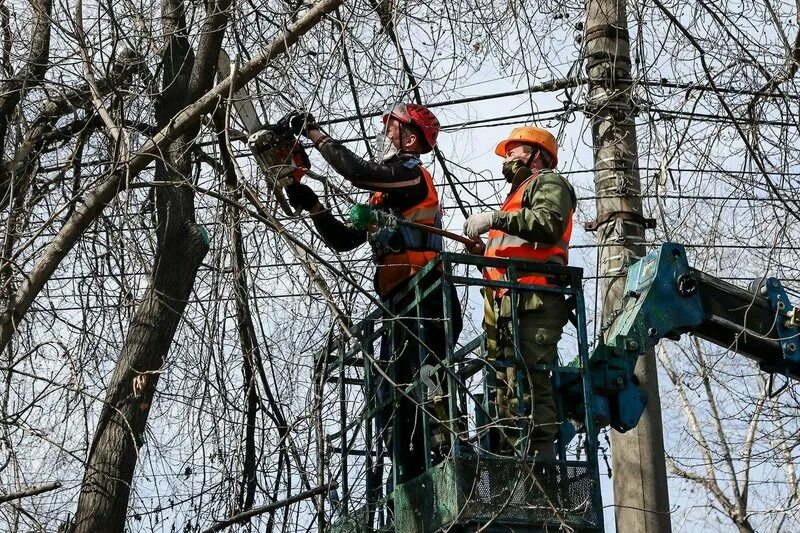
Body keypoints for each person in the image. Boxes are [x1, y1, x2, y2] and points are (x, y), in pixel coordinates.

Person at [280, 104, 462, 482]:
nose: (385, 132)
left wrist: (314, 133)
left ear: (411, 139)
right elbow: (345, 241)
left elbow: (359, 172)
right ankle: (411, 484)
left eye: (391, 126)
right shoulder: (385, 198)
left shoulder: (411, 177)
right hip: (399, 307)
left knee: (425, 394)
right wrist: (313, 204)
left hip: (427, 303)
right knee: (388, 405)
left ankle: (442, 469)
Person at [463, 126, 575, 461]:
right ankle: (513, 470)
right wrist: (481, 252)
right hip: (505, 305)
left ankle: (539, 474)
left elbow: (548, 223)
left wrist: (494, 219)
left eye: (516, 150)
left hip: (534, 300)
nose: (509, 156)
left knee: (529, 384)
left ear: (538, 155)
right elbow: (510, 254)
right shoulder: (515, 198)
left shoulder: (549, 183)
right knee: (506, 393)